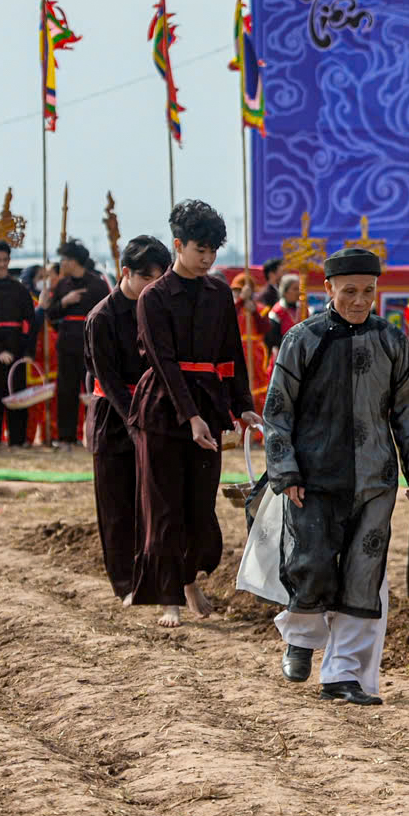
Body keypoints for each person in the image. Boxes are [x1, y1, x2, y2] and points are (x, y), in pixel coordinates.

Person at [262, 246, 409, 705]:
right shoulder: (302, 339)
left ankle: (343, 675)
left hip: (375, 479)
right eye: (350, 291)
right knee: (312, 565)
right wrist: (285, 469)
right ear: (328, 289)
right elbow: (277, 411)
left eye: (368, 291)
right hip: (313, 477)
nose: (360, 300)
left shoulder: (392, 341)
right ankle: (301, 636)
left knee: (363, 575)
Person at [130, 199, 260, 628]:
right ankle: (169, 595)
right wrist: (190, 417)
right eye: (199, 249)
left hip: (207, 403)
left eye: (213, 251)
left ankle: (188, 579)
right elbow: (163, 363)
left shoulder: (220, 292)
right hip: (164, 411)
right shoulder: (153, 297)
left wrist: (242, 406)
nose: (206, 258)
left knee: (200, 505)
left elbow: (231, 355)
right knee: (164, 506)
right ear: (178, 245)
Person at [87, 234, 168, 604]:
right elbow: (106, 378)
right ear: (126, 273)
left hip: (155, 409)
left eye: (159, 279)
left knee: (151, 502)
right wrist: (134, 421)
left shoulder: (158, 309)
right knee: (117, 502)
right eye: (147, 279)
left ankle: (152, 576)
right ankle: (125, 583)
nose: (153, 286)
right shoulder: (101, 316)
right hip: (115, 413)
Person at [43, 239, 110, 450]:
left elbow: (107, 316)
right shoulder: (63, 285)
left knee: (94, 392)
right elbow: (51, 314)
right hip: (66, 345)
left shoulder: (98, 285)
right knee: (66, 392)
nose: (62, 263)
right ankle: (66, 438)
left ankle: (95, 435)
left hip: (91, 346)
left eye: (64, 259)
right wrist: (64, 302)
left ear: (74, 261)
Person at [0, 240, 38, 451]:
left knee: (18, 395)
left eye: (5, 260)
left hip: (18, 349)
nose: (2, 264)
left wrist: (28, 351)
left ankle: (17, 440)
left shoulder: (20, 290)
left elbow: (30, 322)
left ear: (9, 260)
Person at [231, 271, 274, 416]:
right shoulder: (232, 308)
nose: (237, 293)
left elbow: (265, 328)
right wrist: (240, 301)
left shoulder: (259, 308)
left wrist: (254, 312)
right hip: (237, 351)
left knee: (258, 387)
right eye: (236, 291)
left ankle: (258, 431)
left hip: (255, 352)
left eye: (240, 291)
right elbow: (226, 322)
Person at [268, 274, 307, 345]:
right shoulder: (277, 311)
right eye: (295, 289)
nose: (299, 292)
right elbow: (274, 338)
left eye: (299, 289)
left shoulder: (303, 308)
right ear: (285, 291)